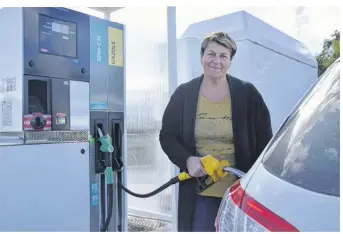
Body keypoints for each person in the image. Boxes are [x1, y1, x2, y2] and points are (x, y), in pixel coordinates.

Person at [159, 32, 273, 232]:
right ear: (202, 57)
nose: (216, 61)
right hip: (201, 194)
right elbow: (167, 137)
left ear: (230, 61)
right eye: (211, 54)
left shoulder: (248, 94)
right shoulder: (183, 94)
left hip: (241, 195)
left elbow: (266, 143)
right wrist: (188, 160)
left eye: (223, 56)